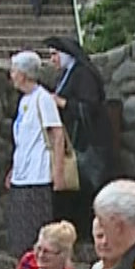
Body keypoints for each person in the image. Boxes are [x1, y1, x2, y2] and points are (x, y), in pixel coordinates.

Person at [46, 34, 115, 239]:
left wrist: (61, 102)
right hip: (74, 139)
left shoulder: (83, 74)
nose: (52, 60)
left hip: (90, 140)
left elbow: (90, 106)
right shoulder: (67, 74)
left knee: (87, 185)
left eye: (54, 54)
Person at [6, 51, 69, 257]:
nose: (11, 75)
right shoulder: (24, 100)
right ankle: (22, 268)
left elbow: (57, 134)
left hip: (38, 174)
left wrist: (58, 172)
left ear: (24, 74)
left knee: (34, 229)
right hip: (21, 174)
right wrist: (13, 169)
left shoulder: (43, 98)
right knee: (19, 230)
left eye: (14, 70)